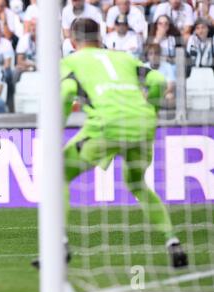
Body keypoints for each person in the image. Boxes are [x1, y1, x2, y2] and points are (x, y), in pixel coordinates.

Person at [34, 18, 188, 269]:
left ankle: (58, 245)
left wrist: (55, 131)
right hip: (143, 124)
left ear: (72, 41)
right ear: (100, 35)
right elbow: (158, 81)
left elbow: (65, 93)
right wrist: (153, 111)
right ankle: (173, 241)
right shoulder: (124, 57)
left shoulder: (70, 61)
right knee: (138, 183)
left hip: (107, 126)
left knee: (56, 175)